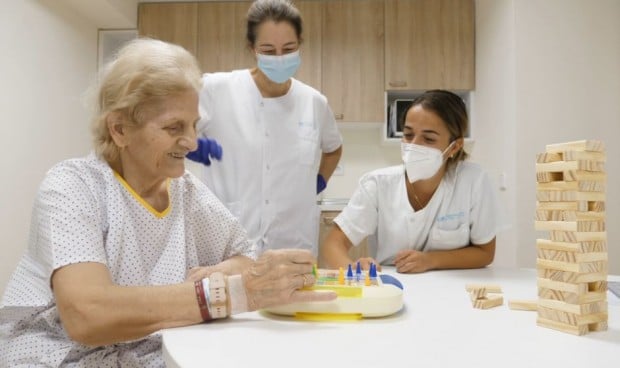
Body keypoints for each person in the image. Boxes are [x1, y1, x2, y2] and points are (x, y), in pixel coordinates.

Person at [0, 38, 335, 367]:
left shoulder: (185, 191)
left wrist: (219, 275)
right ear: (119, 129)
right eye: (174, 127)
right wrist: (226, 294)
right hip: (58, 354)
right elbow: (87, 315)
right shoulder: (72, 186)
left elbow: (244, 258)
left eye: (193, 126)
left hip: (148, 351)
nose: (191, 143)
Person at [187, 0, 343, 257]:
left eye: (288, 48)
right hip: (230, 241)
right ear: (252, 48)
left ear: (300, 44)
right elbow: (170, 129)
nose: (279, 58)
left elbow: (334, 149)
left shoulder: (314, 102)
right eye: (268, 51)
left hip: (293, 242)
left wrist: (318, 182)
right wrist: (189, 144)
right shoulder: (216, 89)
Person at [320, 90, 500, 274]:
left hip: (454, 287)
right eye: (408, 134)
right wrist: (354, 268)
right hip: (395, 284)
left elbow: (485, 252)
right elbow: (333, 244)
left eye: (429, 139)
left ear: (454, 146)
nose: (414, 145)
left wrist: (431, 260)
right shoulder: (378, 184)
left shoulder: (473, 181)